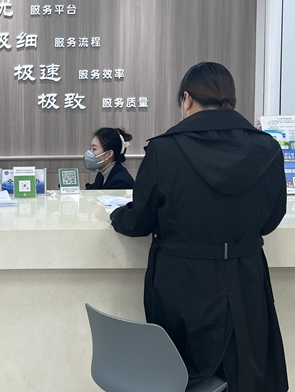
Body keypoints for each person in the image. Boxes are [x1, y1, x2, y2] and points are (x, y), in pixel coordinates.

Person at [110, 62, 287, 391]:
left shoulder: (163, 150)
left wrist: (117, 215)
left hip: (182, 284)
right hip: (246, 278)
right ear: (230, 100)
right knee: (245, 372)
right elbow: (271, 218)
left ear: (187, 99)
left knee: (178, 375)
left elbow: (139, 221)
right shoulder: (268, 148)